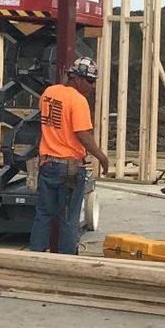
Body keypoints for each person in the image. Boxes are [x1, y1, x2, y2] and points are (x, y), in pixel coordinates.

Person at [28, 56, 110, 254]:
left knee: (43, 215)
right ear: (77, 78)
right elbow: (82, 134)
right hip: (69, 169)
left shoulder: (48, 93)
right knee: (68, 218)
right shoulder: (78, 101)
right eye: (90, 81)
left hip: (47, 165)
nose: (92, 87)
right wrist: (102, 157)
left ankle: (35, 259)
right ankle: (67, 262)